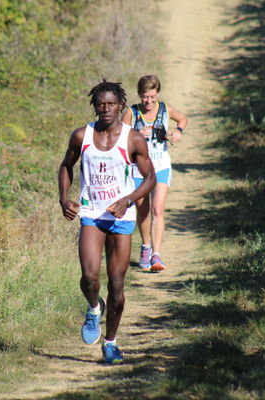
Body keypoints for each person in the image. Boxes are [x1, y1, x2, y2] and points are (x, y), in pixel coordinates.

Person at [58, 81, 156, 364]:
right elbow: (66, 166)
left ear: (120, 106)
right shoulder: (82, 136)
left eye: (111, 104)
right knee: (89, 278)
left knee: (116, 284)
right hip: (91, 214)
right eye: (101, 104)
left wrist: (128, 199)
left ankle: (110, 343)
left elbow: (149, 177)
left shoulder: (133, 138)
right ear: (95, 106)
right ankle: (92, 308)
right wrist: (64, 199)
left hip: (121, 218)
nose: (106, 109)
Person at [121, 75, 188, 271]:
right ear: (139, 95)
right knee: (142, 211)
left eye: (151, 97)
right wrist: (135, 136)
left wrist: (178, 131)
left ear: (157, 94)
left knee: (157, 210)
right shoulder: (131, 113)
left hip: (161, 166)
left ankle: (156, 256)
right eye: (144, 97)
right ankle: (145, 246)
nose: (148, 101)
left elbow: (183, 119)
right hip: (138, 169)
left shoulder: (165, 109)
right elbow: (119, 139)